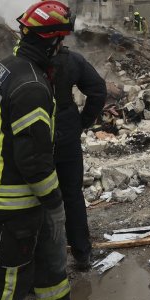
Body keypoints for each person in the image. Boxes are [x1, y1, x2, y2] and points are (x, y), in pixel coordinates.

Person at [0, 0, 95, 300]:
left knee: (49, 262)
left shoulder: (4, 68)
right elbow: (33, 160)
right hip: (17, 199)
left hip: (8, 189)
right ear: (52, 42)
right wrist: (54, 199)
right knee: (11, 277)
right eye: (60, 41)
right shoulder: (32, 85)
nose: (62, 48)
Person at [50, 44, 107, 269]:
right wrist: (83, 122)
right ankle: (82, 254)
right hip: (65, 134)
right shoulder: (71, 60)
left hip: (32, 137)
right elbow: (98, 90)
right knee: (72, 195)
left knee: (35, 197)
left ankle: (39, 259)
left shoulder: (20, 62)